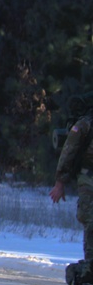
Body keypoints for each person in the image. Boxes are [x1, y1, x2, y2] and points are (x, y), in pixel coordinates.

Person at [50, 112, 93, 263]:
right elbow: (68, 152)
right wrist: (60, 183)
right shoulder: (86, 124)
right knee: (90, 221)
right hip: (88, 177)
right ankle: (90, 267)